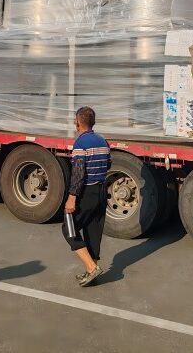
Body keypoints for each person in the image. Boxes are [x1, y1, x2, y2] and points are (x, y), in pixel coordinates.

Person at [63, 106, 111, 286]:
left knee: (68, 229)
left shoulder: (80, 144)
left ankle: (92, 268)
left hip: (87, 192)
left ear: (77, 123)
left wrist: (72, 197)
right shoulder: (103, 141)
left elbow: (78, 173)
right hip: (102, 191)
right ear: (93, 122)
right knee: (93, 230)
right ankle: (92, 274)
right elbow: (108, 164)